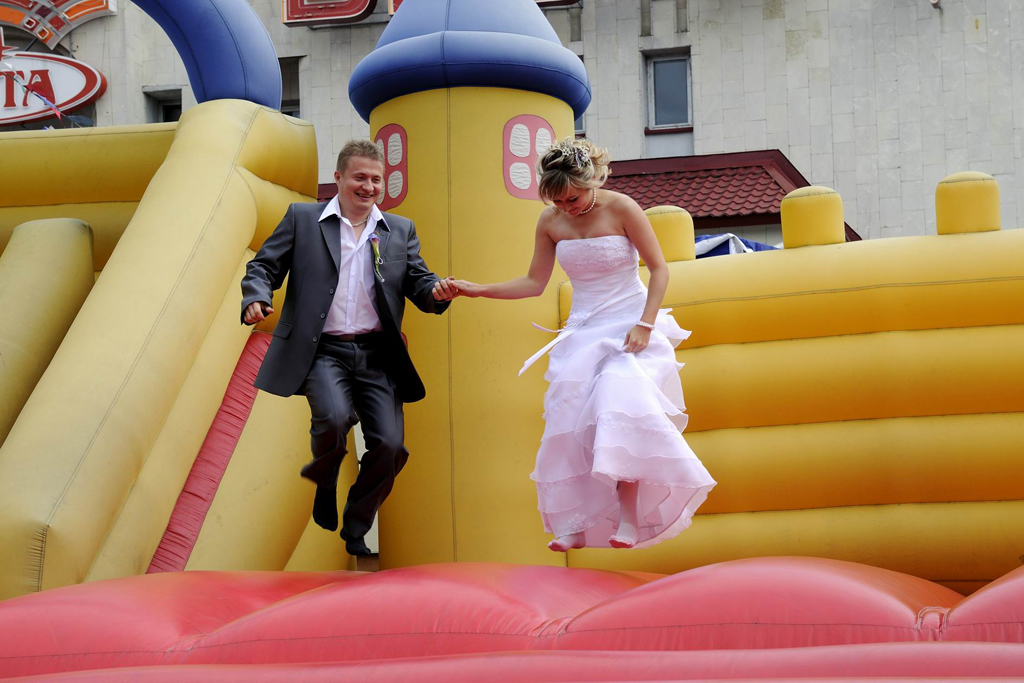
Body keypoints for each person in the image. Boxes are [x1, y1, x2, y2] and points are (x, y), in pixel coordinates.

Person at [453, 137, 716, 552]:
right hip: (583, 332)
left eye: (572, 198)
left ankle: (628, 517)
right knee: (569, 424)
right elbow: (534, 282)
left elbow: (659, 270)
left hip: (630, 326)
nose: (566, 207)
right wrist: (478, 289)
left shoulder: (622, 208)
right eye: (557, 200)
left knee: (618, 405)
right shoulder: (550, 221)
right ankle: (573, 522)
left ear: (591, 181)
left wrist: (645, 324)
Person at [241, 139, 457, 557]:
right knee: (334, 418)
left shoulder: (399, 230)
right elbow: (263, 266)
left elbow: (419, 281)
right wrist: (256, 296)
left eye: (376, 179)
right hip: (323, 350)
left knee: (391, 447)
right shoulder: (303, 219)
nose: (368, 187)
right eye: (360, 177)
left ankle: (357, 520)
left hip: (378, 354)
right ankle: (324, 480)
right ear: (339, 177)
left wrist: (437, 291)